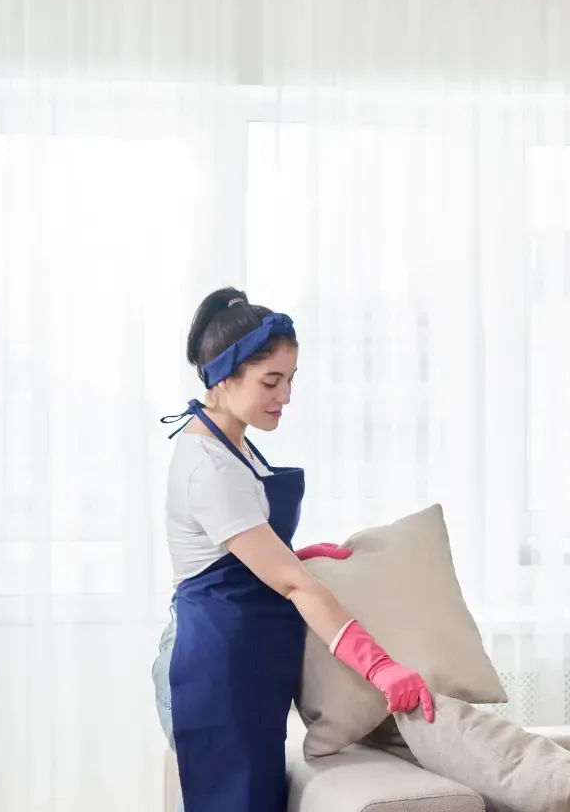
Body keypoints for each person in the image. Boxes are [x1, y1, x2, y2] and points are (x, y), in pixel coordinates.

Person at [152, 287, 436, 812]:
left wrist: (296, 553)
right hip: (216, 672)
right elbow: (289, 584)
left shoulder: (231, 439)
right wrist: (380, 668)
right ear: (223, 376)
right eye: (271, 381)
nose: (285, 396)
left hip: (246, 665)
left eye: (290, 380)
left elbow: (239, 556)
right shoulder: (207, 466)